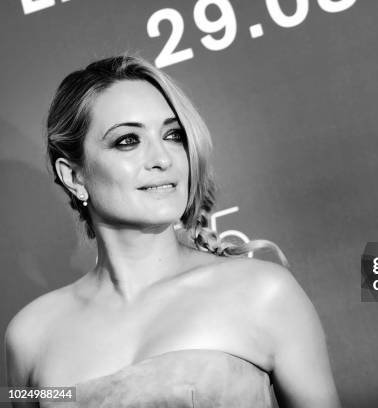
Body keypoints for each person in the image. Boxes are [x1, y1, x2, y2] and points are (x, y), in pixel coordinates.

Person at [4, 55, 341, 408]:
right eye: (127, 141)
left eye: (173, 135)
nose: (162, 158)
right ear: (74, 177)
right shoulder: (30, 336)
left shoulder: (262, 293)